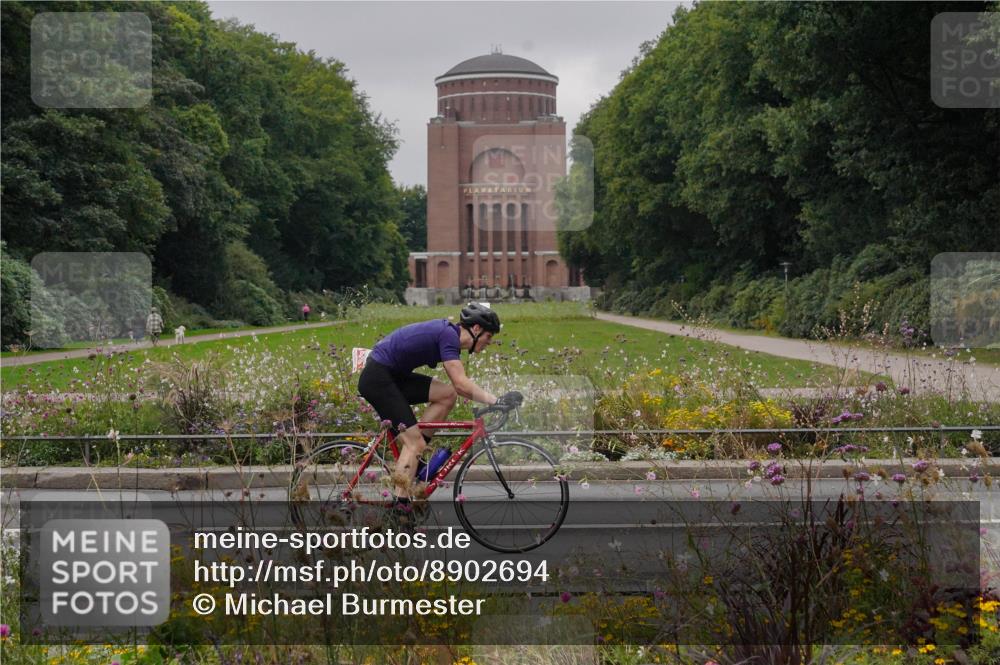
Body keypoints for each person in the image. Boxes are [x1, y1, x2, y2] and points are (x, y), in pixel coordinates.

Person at [357, 303, 520, 506]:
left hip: (393, 376)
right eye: (488, 336)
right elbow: (461, 384)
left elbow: (455, 389)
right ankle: (400, 509)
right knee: (413, 443)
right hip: (378, 378)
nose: (489, 342)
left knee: (447, 394)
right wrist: (497, 400)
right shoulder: (448, 336)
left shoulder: (448, 336)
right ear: (476, 329)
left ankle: (417, 459)